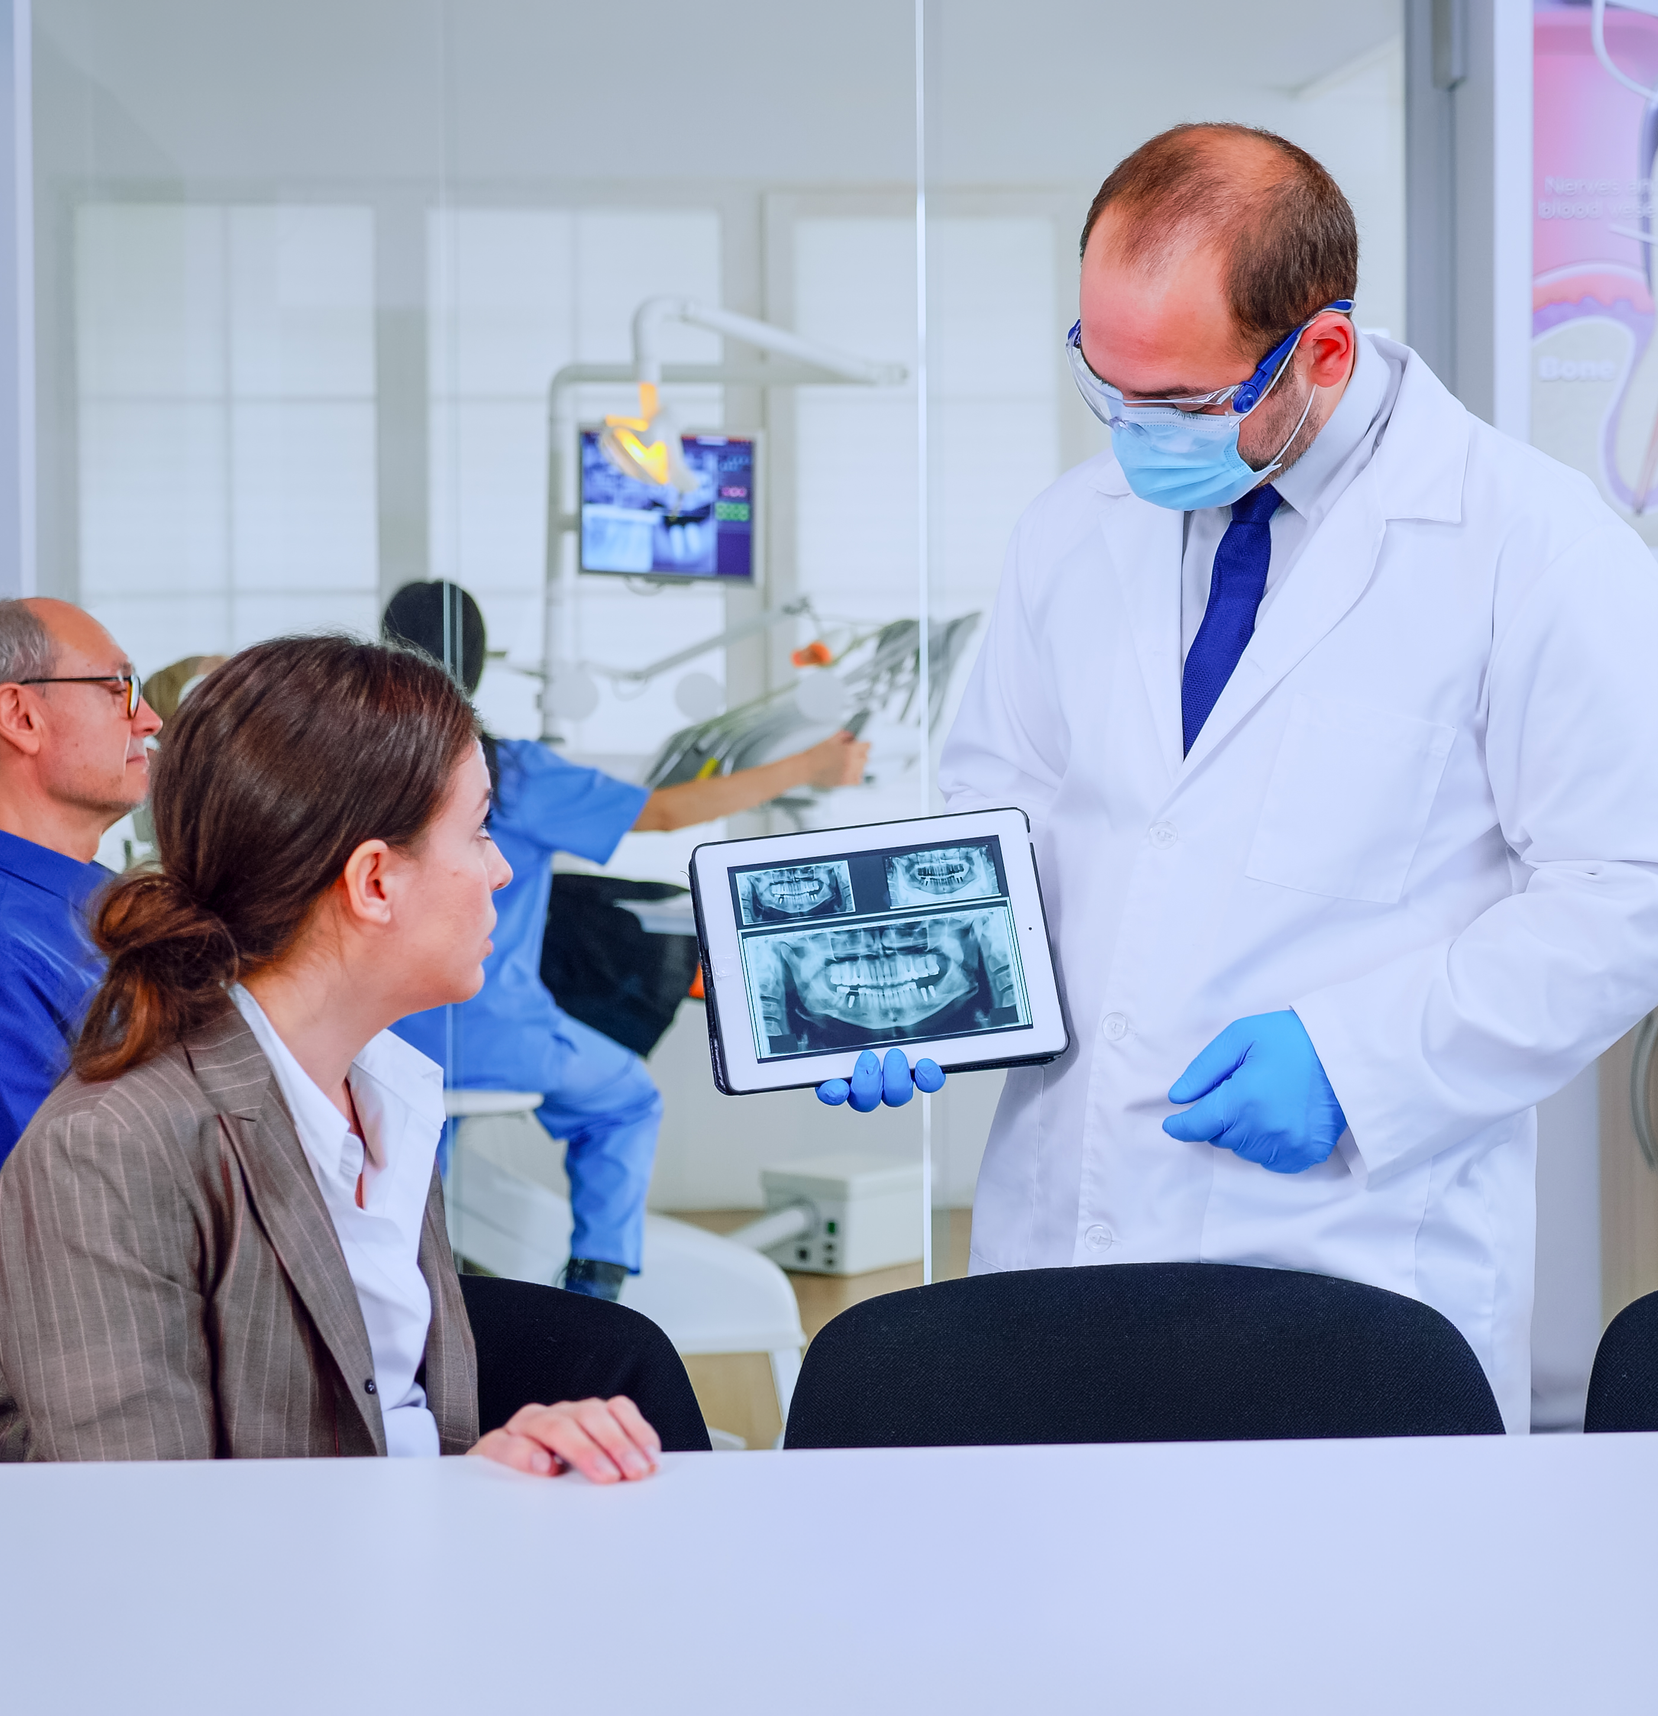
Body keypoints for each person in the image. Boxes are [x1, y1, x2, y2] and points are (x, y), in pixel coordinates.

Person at [838, 123, 1658, 1433]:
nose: (1125, 436)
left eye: (1169, 405)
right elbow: (999, 814)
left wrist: (1358, 1060)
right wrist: (923, 981)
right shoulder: (1069, 531)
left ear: (1319, 351)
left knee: (1319, 1627)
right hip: (1065, 1236)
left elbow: (1625, 892)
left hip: (1348, 1259)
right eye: (1098, 384)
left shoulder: (1530, 548)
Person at [0, 634, 677, 1476]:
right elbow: (146, 1553)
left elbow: (393, 1425)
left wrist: (483, 1470)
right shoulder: (106, 1153)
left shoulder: (388, 1093)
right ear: (374, 882)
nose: (501, 869)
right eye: (477, 833)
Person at [382, 581, 869, 1298]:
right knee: (628, 1099)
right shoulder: (508, 771)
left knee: (424, 1137)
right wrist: (809, 767)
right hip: (494, 1031)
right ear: (480, 664)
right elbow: (666, 811)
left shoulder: (362, 771)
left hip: (386, 1034)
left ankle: (418, 1282)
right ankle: (596, 1282)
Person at [0, 598, 163, 1164]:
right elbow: (47, 1199)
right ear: (22, 717)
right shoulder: (8, 949)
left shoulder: (104, 900)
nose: (148, 719)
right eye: (120, 688)